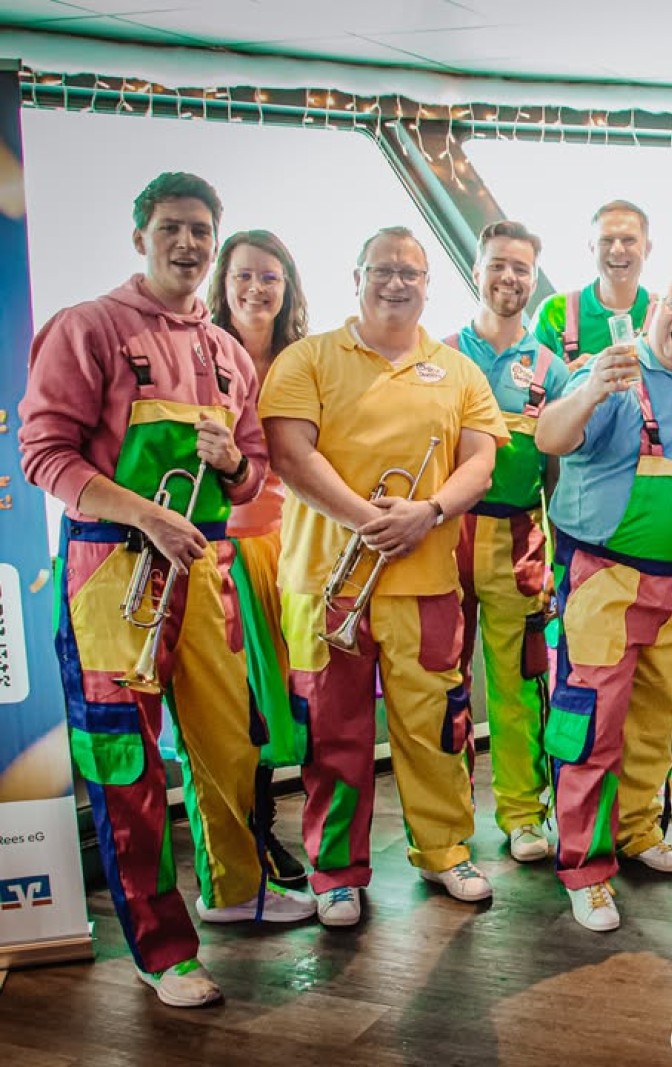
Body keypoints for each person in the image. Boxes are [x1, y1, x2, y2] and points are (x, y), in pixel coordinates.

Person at [19, 172, 313, 1008]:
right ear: (140, 236)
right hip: (109, 571)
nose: (188, 244)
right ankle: (162, 950)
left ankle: (237, 888)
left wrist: (233, 463)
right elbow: (44, 455)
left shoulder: (226, 353)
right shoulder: (88, 327)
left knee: (229, 741)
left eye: (201, 230)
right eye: (172, 228)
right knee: (126, 762)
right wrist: (148, 516)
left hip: (204, 565)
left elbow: (252, 470)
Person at [261, 226, 506, 927]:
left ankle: (443, 849)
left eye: (410, 272)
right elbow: (290, 454)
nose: (396, 283)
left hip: (425, 582)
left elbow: (480, 460)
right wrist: (371, 519)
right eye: (383, 270)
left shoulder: (457, 370)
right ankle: (336, 871)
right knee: (332, 732)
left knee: (436, 726)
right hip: (326, 583)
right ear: (357, 276)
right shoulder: (307, 359)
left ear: (428, 284)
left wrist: (428, 512)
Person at [535, 272, 672, 933]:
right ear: (653, 313)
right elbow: (550, 437)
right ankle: (584, 867)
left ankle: (638, 829)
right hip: (606, 582)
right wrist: (591, 389)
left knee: (655, 723)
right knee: (589, 724)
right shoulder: (613, 373)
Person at [442, 220, 570, 865]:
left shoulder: (551, 368)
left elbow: (557, 475)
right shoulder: (439, 355)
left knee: (519, 684)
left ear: (533, 277)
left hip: (519, 538)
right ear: (476, 270)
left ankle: (523, 814)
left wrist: (561, 561)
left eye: (521, 267)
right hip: (442, 536)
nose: (509, 277)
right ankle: (446, 821)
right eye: (498, 264)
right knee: (440, 682)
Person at [207, 228, 312, 889]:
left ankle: (307, 832)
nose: (256, 288)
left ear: (287, 287)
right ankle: (251, 837)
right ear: (223, 284)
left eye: (270, 276)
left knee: (291, 700)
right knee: (240, 703)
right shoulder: (201, 355)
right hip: (223, 549)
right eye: (243, 275)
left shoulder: (303, 359)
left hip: (294, 546)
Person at [533, 200, 653, 367]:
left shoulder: (665, 316)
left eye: (628, 240)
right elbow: (524, 378)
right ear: (592, 247)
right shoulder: (554, 312)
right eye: (606, 240)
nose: (617, 249)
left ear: (647, 248)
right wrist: (567, 376)